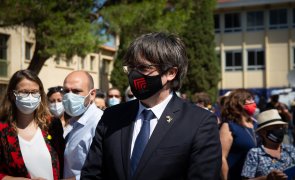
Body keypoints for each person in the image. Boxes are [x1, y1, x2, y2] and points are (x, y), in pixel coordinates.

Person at [81, 32, 222, 179]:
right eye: (131, 68)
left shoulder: (199, 122)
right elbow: (92, 174)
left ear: (171, 73)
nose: (135, 75)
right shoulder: (112, 116)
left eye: (143, 68)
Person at [0, 70, 61, 179]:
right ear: (12, 95)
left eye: (34, 92)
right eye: (24, 92)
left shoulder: (52, 125)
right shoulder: (2, 130)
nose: (30, 97)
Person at [62, 70, 103, 180]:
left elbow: (101, 171)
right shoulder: (72, 122)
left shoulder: (100, 123)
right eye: (66, 91)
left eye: (76, 91)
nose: (69, 96)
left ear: (92, 94)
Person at [241, 109, 295, 179]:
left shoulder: (291, 150)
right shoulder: (255, 154)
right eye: (275, 127)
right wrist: (266, 178)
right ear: (262, 132)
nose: (280, 130)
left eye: (281, 127)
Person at [219, 88, 258, 180]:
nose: (253, 102)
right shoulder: (229, 126)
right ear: (239, 103)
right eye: (250, 99)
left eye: (253, 99)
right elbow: (221, 157)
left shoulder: (256, 124)